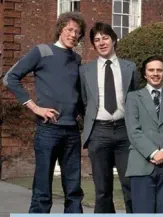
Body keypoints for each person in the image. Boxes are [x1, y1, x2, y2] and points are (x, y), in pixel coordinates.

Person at [3, 12, 86, 213]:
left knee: (74, 189)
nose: (73, 34)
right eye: (69, 29)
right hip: (48, 130)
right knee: (42, 189)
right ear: (60, 29)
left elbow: (78, 95)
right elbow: (10, 78)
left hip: (72, 132)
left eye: (78, 32)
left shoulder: (76, 58)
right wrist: (35, 107)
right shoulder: (42, 51)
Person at [79, 21, 137, 213]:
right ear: (93, 45)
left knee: (130, 185)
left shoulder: (130, 68)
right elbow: (83, 102)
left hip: (125, 132)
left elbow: (135, 98)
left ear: (113, 40)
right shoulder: (85, 70)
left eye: (105, 38)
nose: (101, 42)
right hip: (99, 132)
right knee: (102, 190)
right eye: (97, 40)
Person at [124, 56, 163, 213]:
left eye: (159, 70)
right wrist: (153, 152)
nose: (155, 73)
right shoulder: (133, 98)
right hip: (142, 163)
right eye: (151, 70)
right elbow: (133, 130)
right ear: (145, 74)